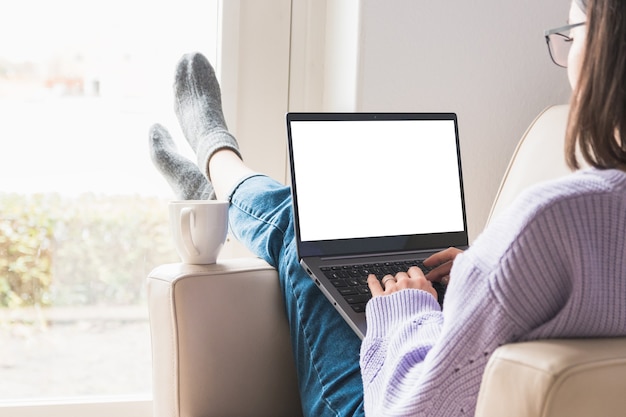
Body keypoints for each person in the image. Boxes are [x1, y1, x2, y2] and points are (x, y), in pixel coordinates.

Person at [148, 0, 626, 415]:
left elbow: (411, 410)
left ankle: (218, 161)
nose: (566, 59)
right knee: (315, 224)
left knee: (303, 223)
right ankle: (223, 180)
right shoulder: (576, 226)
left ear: (604, 44)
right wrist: (484, 275)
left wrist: (407, 309)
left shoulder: (551, 222)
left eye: (570, 33)